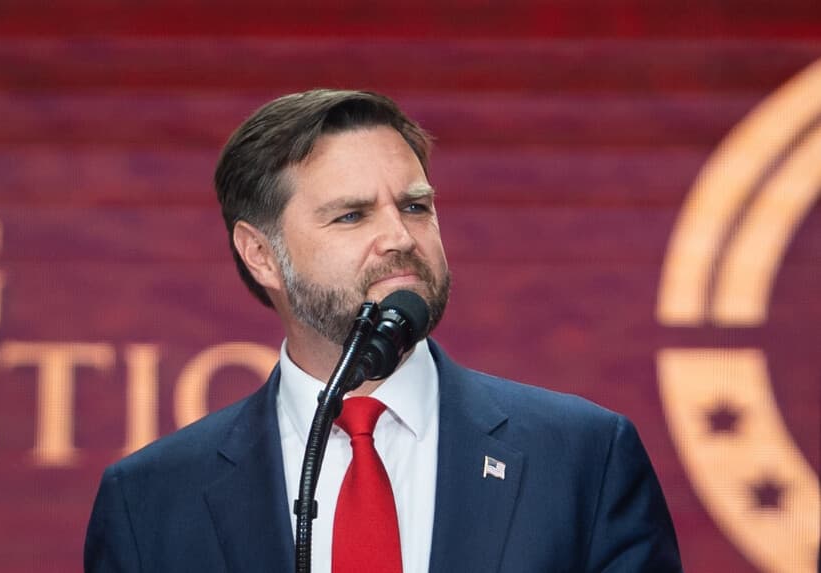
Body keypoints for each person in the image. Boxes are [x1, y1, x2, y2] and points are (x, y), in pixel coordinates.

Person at [84, 89, 682, 572]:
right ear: (261, 255)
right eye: (352, 215)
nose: (399, 236)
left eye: (416, 207)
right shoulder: (152, 501)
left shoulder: (583, 458)